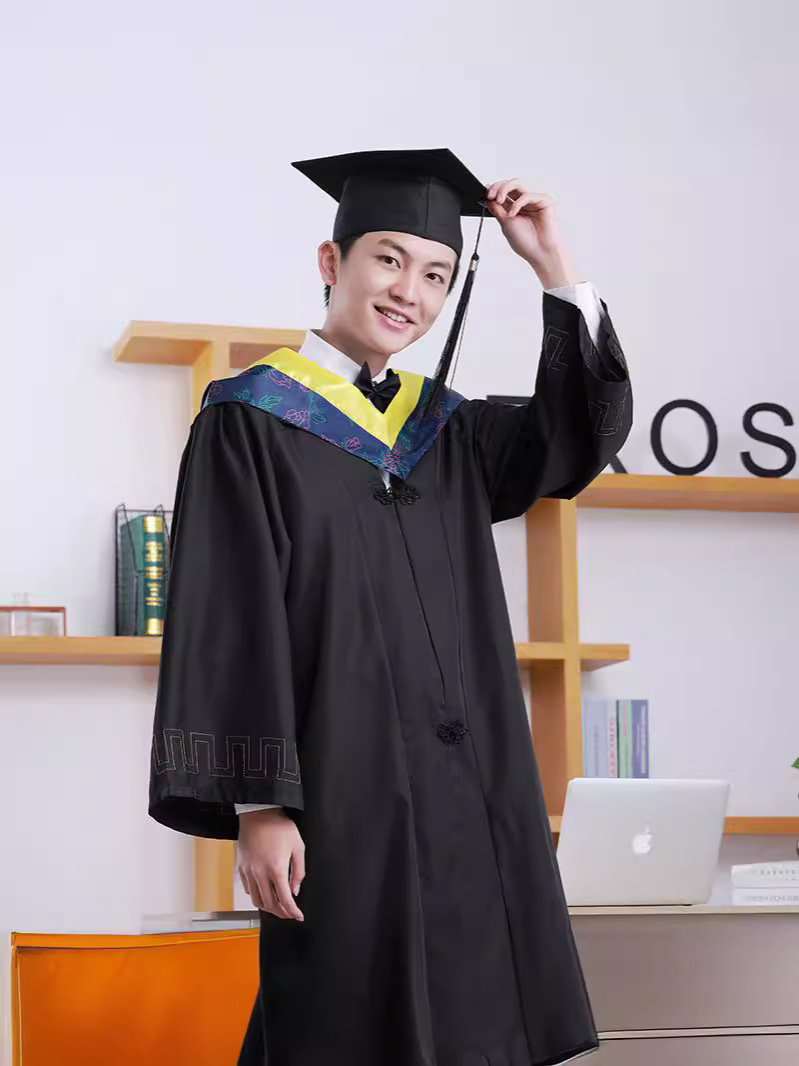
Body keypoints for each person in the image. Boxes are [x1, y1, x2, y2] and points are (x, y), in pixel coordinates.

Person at [149, 147, 632, 1066]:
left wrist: (551, 266)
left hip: (470, 794)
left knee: (475, 1017)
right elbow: (230, 615)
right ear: (331, 262)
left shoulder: (446, 429)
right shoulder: (249, 420)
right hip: (344, 790)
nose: (410, 290)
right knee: (344, 1017)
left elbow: (575, 438)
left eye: (437, 274)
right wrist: (259, 805)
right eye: (389, 259)